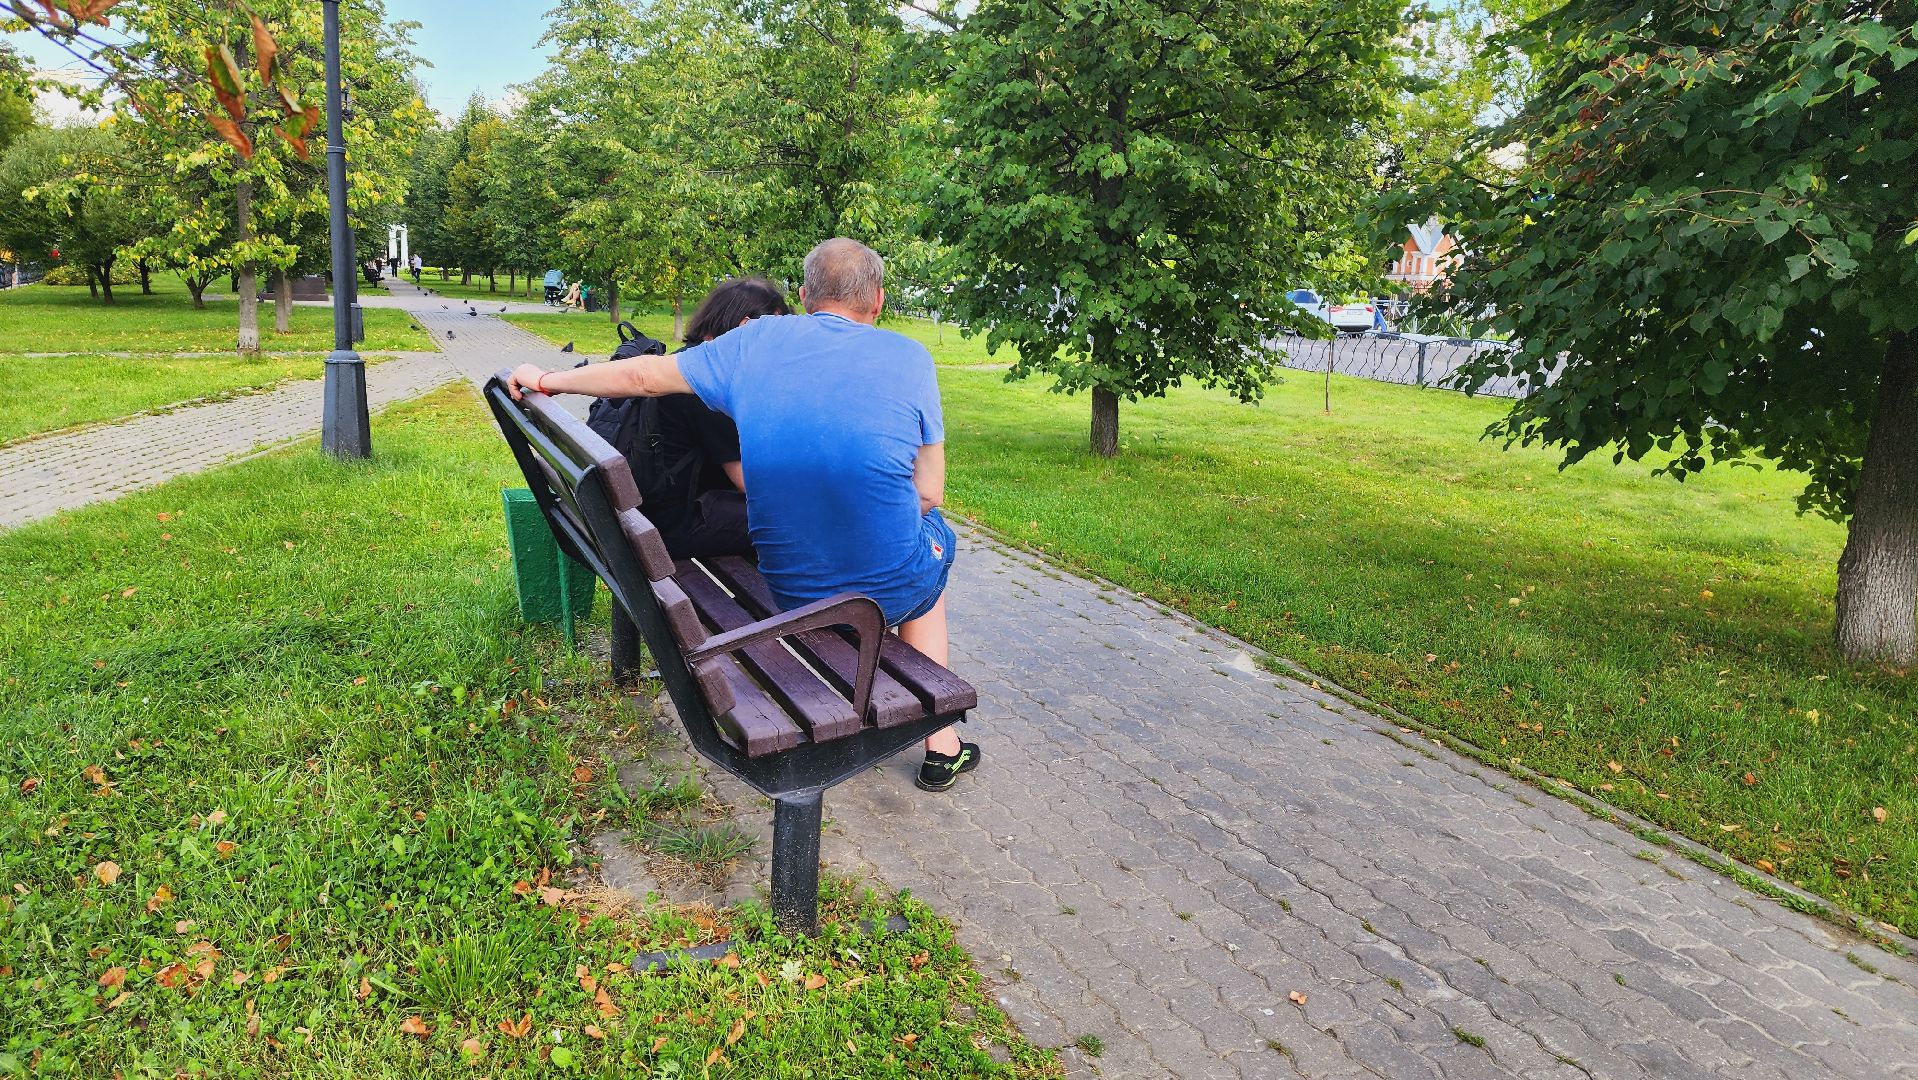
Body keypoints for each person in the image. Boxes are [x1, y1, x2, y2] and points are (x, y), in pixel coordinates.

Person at [508, 239, 975, 792]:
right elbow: (930, 490)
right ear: (876, 300)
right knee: (935, 542)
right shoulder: (911, 357)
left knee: (894, 544)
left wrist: (546, 381)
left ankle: (886, 675)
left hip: (790, 589)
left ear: (805, 297)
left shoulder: (754, 342)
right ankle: (939, 743)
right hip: (871, 589)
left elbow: (642, 377)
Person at [613, 277, 789, 558]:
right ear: (745, 326)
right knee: (795, 519)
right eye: (776, 333)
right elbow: (749, 482)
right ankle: (775, 602)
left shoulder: (689, 360)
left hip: (644, 514)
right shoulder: (709, 386)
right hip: (671, 526)